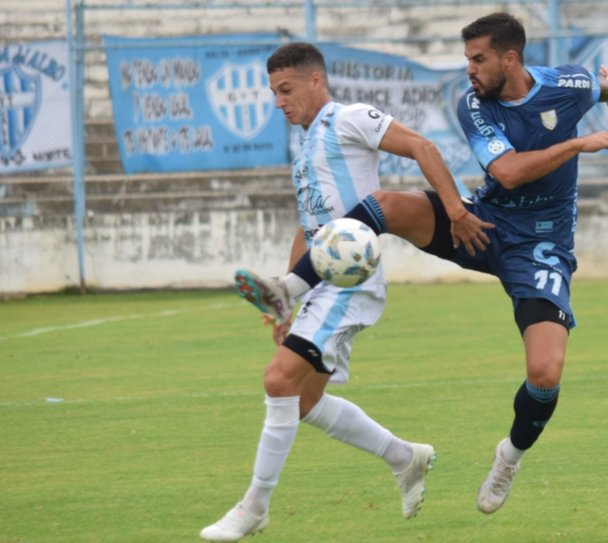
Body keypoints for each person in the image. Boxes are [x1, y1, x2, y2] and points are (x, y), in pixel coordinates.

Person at [238, 12, 608, 516]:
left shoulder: (568, 83)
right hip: (482, 223)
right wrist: (577, 143)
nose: (469, 70)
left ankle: (510, 455)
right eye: (467, 59)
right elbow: (506, 173)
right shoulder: (474, 106)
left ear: (510, 58)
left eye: (478, 59)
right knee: (387, 205)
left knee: (545, 372)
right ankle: (289, 287)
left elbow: (605, 85)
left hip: (542, 247)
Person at [200, 42, 493, 542]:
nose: (278, 102)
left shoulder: (350, 118)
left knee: (278, 382)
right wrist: (288, 292)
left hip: (349, 280)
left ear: (316, 80)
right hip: (317, 284)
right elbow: (308, 226)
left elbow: (424, 146)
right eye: (273, 92)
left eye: (286, 89)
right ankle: (405, 456)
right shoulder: (305, 148)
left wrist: (455, 210)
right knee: (305, 401)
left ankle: (255, 507)